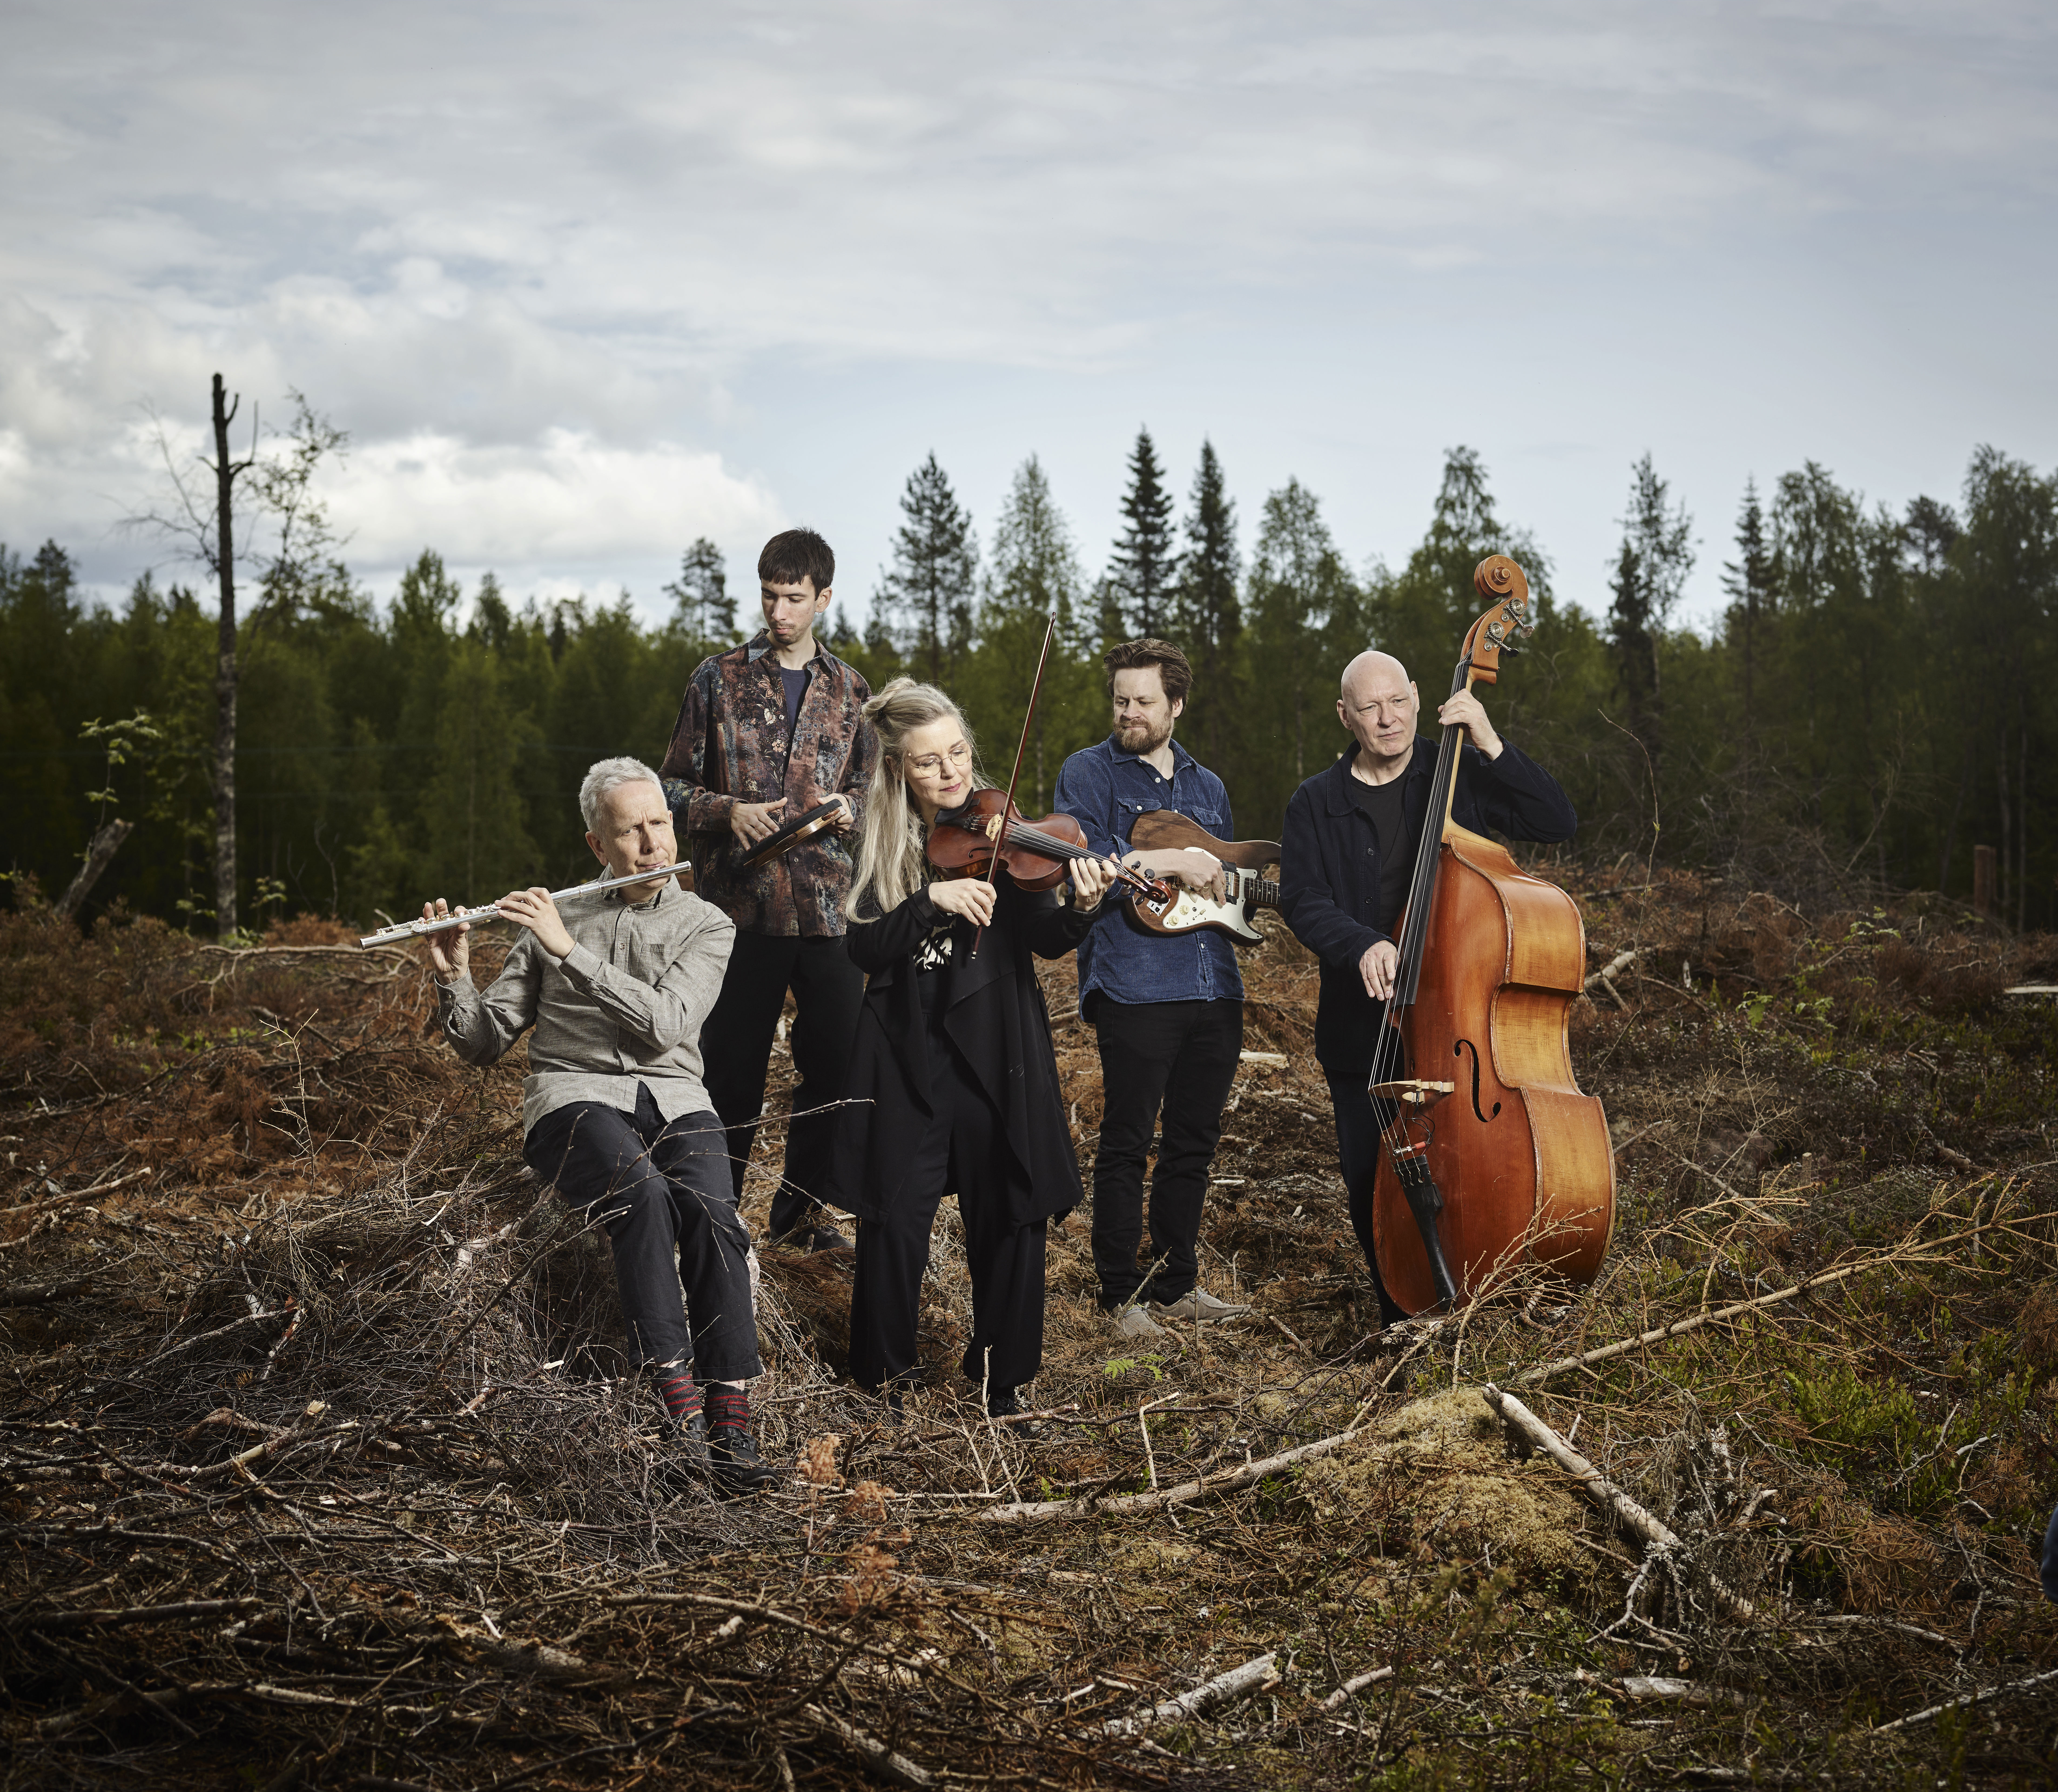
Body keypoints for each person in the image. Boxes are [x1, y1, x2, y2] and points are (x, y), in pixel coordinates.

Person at [421, 757, 779, 1494]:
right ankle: (675, 1402)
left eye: (659, 825)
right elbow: (485, 1042)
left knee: (713, 1211)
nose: (652, 844)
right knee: (642, 1198)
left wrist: (568, 952)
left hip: (677, 1096)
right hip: (573, 1097)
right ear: (597, 846)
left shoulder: (705, 922)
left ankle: (731, 1414)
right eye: (631, 831)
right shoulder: (559, 915)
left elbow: (667, 1024)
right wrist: (453, 972)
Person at [826, 679, 1114, 1417]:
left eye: (958, 752)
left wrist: (1081, 907)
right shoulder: (881, 838)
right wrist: (930, 902)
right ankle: (884, 1379)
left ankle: (1004, 1377)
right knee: (893, 1215)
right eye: (929, 763)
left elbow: (1044, 937)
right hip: (908, 1051)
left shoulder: (1002, 827)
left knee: (1010, 1209)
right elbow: (862, 945)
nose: (952, 773)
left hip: (997, 1047)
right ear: (899, 770)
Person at [1279, 650, 1578, 1324]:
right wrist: (1362, 943)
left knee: (1473, 1170)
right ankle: (1400, 1311)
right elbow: (1302, 899)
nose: (1389, 720)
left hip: (1462, 1023)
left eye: (1399, 703)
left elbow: (1557, 823)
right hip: (1367, 1033)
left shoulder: (1460, 774)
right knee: (1371, 1178)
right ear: (1345, 716)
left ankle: (1481, 1306)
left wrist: (1493, 744)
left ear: (1419, 697)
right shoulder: (1316, 803)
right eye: (1370, 708)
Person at [658, 528, 878, 1253]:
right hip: (738, 914)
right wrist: (728, 811)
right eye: (769, 595)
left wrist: (851, 807)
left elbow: (872, 796)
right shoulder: (715, 679)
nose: (780, 611)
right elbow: (666, 789)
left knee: (837, 1071)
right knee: (729, 1074)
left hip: (828, 915)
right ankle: (712, 1223)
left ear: (822, 598)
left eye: (794, 597)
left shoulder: (851, 691)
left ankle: (803, 1218)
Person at [1052, 639, 1253, 1339]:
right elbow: (1082, 861)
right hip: (1134, 985)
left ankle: (1176, 1283)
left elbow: (1219, 885)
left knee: (1192, 1141)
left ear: (1175, 704)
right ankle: (1119, 1294)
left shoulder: (1208, 787)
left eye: (1142, 701)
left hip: (1212, 982)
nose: (1127, 713)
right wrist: (1172, 858)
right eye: (1119, 699)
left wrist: (1236, 890)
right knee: (1126, 1140)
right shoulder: (1088, 773)